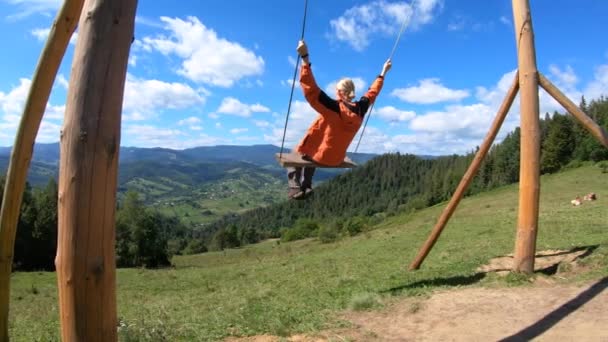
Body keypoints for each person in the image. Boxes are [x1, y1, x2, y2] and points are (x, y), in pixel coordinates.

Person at [287, 40, 392, 200]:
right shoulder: (361, 109)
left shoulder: (334, 108)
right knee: (312, 151)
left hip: (321, 157)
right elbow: (372, 93)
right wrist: (383, 72)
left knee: (296, 154)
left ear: (340, 92)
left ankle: (295, 188)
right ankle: (307, 185)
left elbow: (312, 91)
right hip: (335, 158)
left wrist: (305, 58)